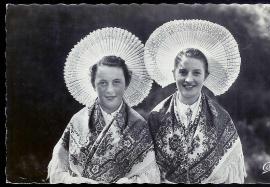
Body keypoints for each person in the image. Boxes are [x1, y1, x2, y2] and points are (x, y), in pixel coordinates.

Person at [47, 28, 160, 184]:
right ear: (93, 84)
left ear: (126, 83)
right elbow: (58, 170)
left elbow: (149, 176)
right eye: (102, 83)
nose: (110, 90)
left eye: (116, 82)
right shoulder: (77, 121)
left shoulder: (139, 125)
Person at [144, 20, 247, 183]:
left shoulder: (220, 118)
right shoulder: (156, 116)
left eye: (196, 73)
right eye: (183, 72)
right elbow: (147, 169)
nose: (189, 79)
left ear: (205, 76)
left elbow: (231, 174)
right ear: (173, 74)